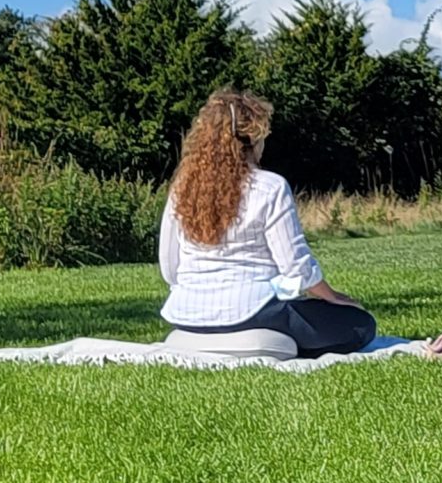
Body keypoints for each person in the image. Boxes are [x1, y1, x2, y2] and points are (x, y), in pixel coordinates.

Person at [158, 88, 381, 356]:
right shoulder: (270, 187)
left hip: (185, 314)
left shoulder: (181, 189)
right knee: (360, 325)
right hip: (250, 310)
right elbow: (296, 267)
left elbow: (170, 268)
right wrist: (333, 297)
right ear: (252, 139)